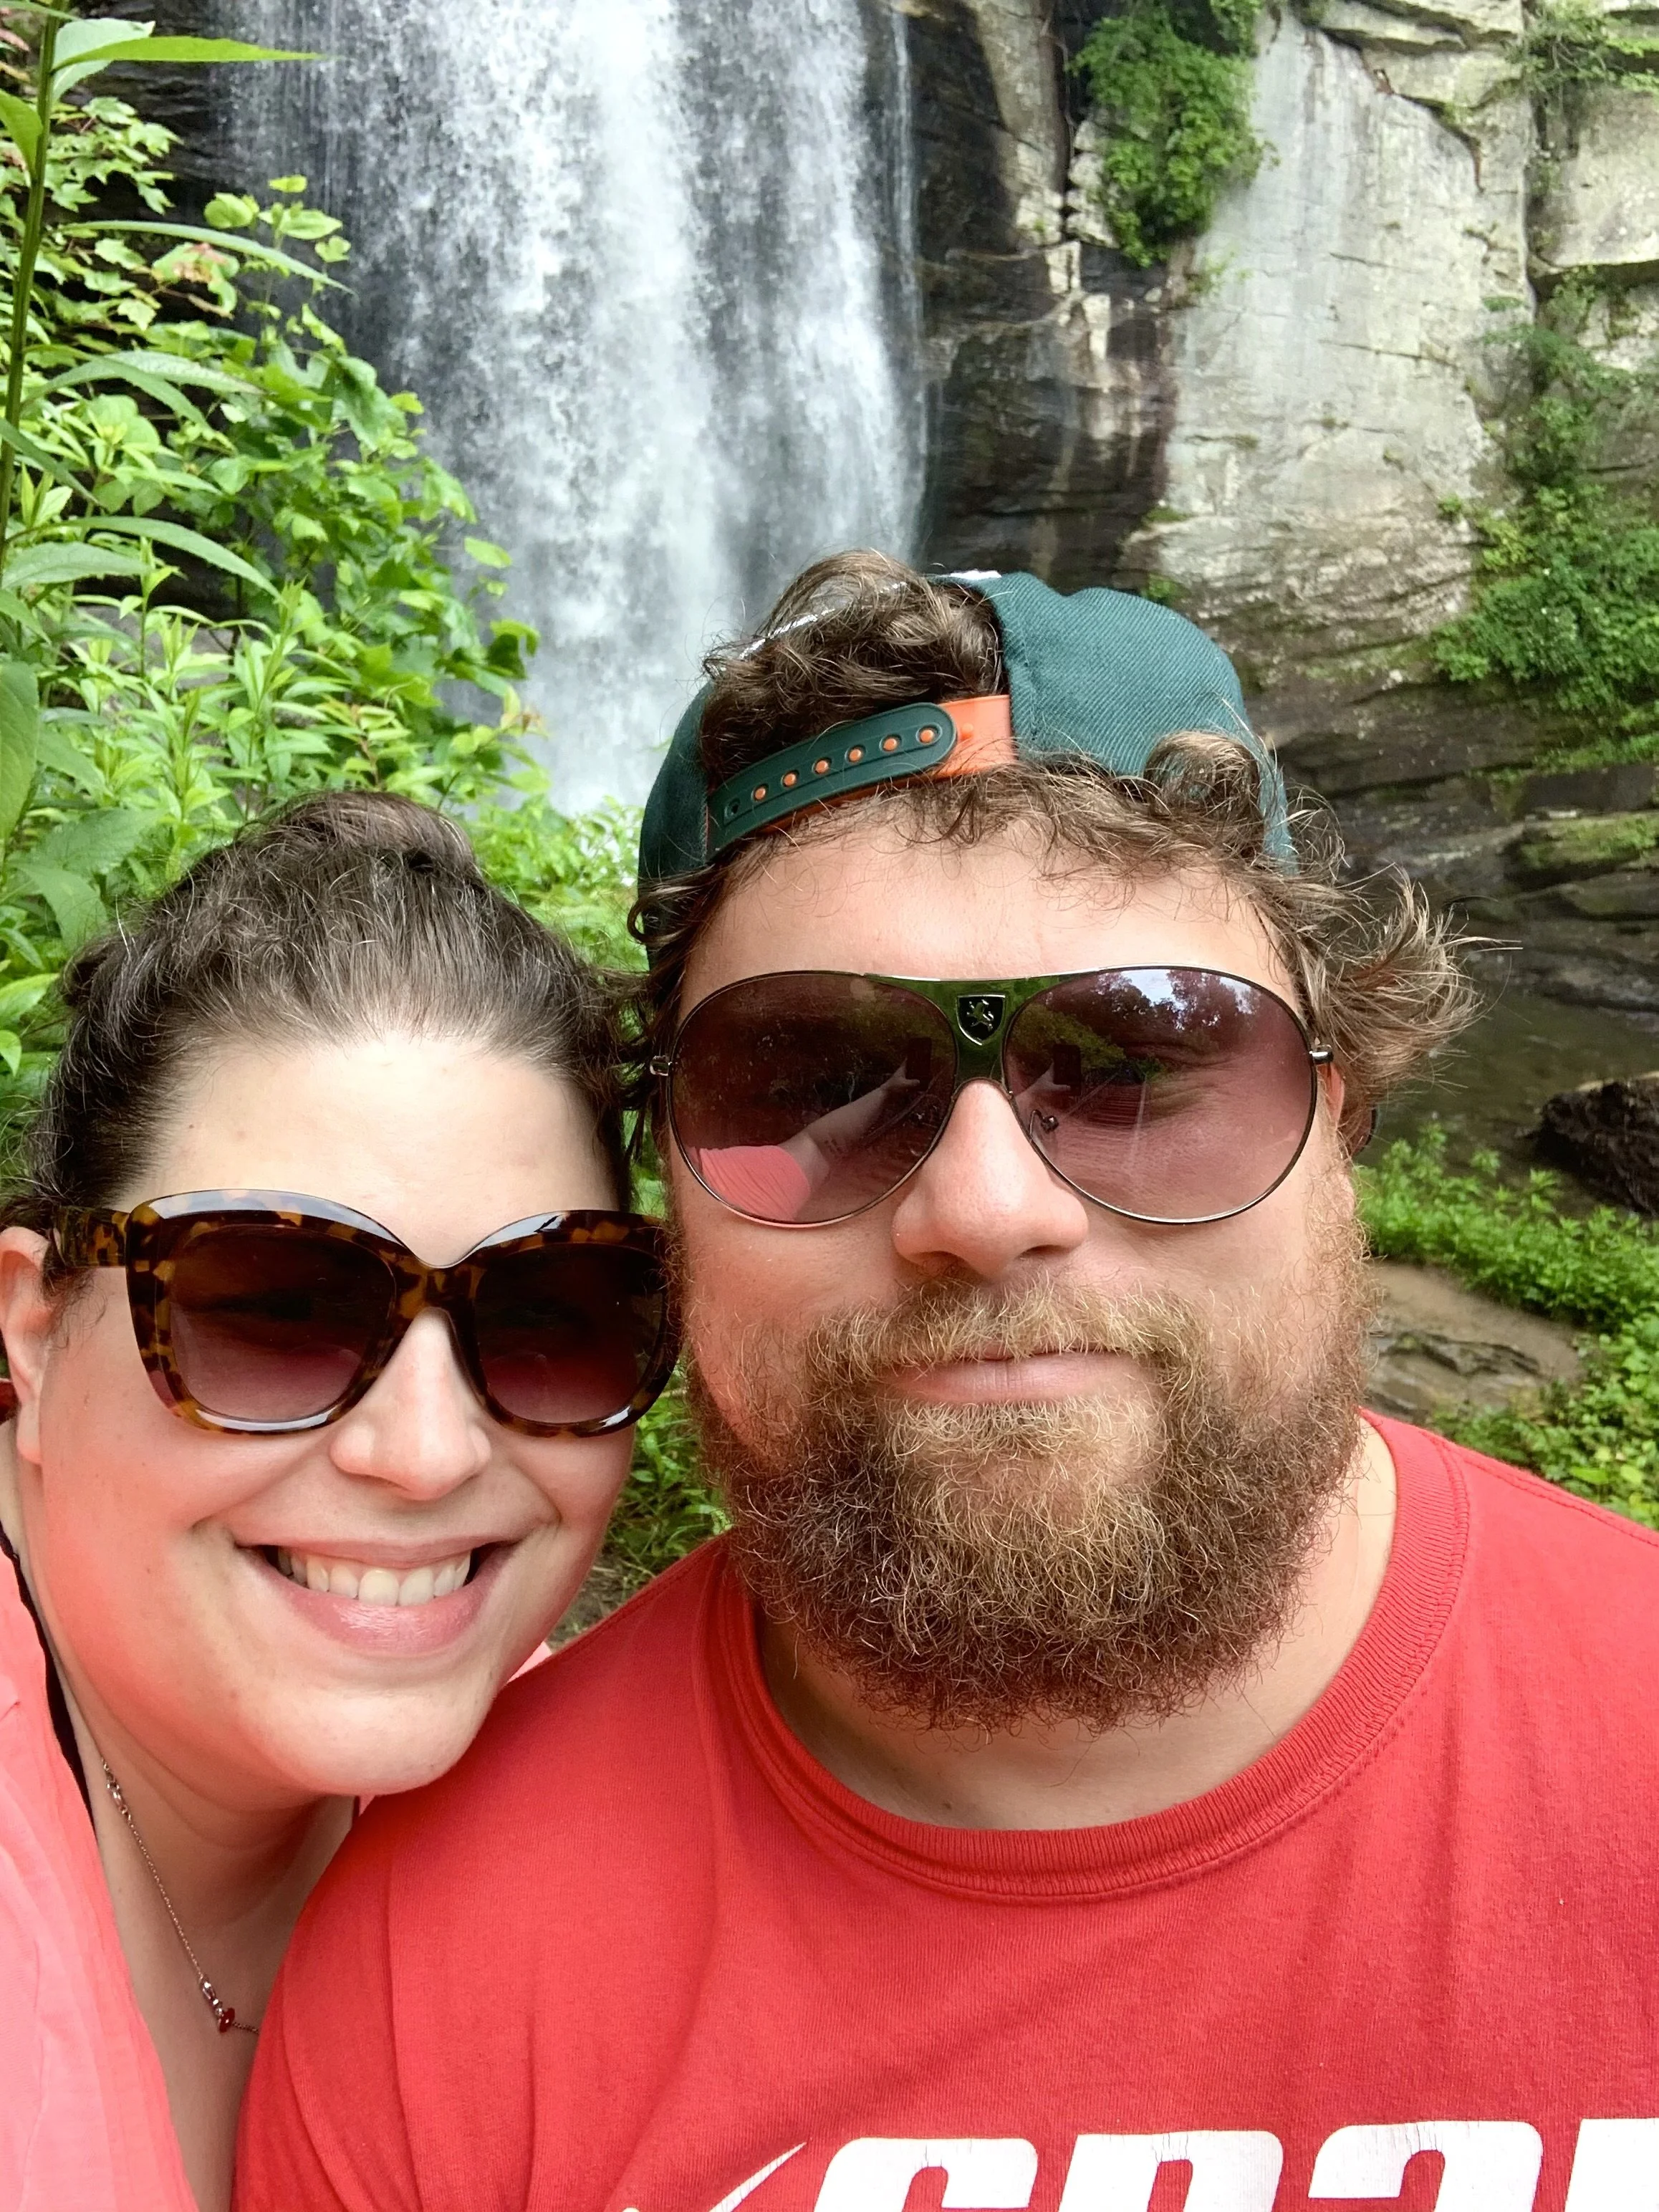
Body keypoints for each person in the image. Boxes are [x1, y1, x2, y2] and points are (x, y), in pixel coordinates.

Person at [236, 559, 1659, 2212]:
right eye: (817, 1082)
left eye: (1137, 1064)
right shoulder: (435, 1979)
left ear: (1343, 1117)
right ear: (665, 1188)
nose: (984, 1208)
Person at [0, 791, 674, 2212]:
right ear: (36, 1329)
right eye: (274, 1307)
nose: (426, 1453)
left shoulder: (568, 1783)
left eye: (546, 1312)